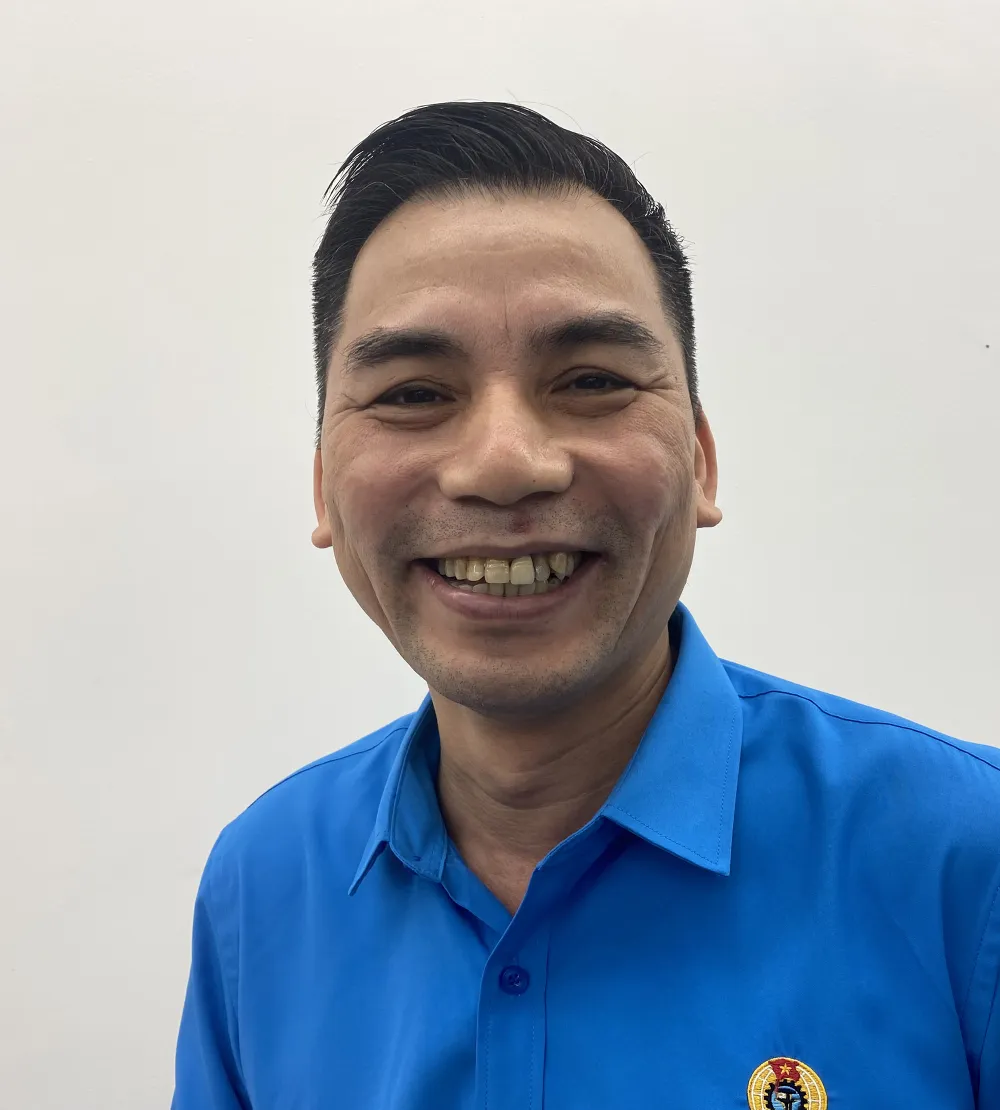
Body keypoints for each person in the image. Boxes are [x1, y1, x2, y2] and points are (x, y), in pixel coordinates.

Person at [171, 101, 1000, 1109]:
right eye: (413, 394)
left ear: (700, 460)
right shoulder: (263, 887)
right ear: (321, 488)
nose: (503, 463)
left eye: (592, 380)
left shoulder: (967, 859)